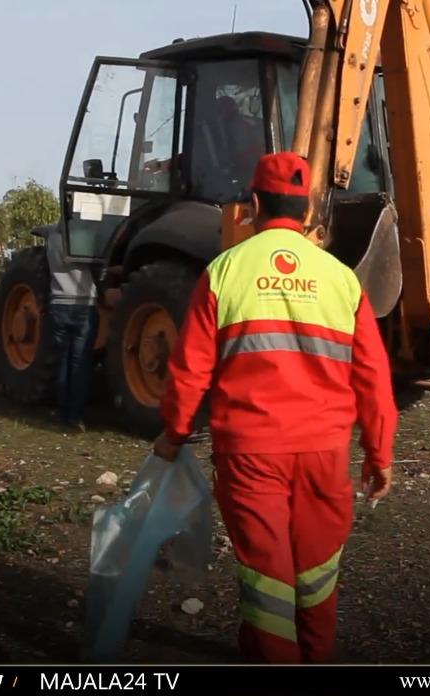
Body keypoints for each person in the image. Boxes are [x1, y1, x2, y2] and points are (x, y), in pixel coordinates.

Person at [152, 152, 398, 664]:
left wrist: (173, 435)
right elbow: (373, 378)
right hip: (325, 457)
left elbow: (189, 371)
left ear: (255, 204)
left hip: (250, 456)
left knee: (268, 590)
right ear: (308, 211)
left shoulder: (224, 272)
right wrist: (379, 455)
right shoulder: (341, 279)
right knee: (316, 578)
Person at [46, 224, 99, 431]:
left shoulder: (51, 235)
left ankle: (62, 412)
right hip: (83, 304)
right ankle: (75, 416)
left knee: (62, 361)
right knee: (79, 363)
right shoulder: (86, 236)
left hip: (58, 304)